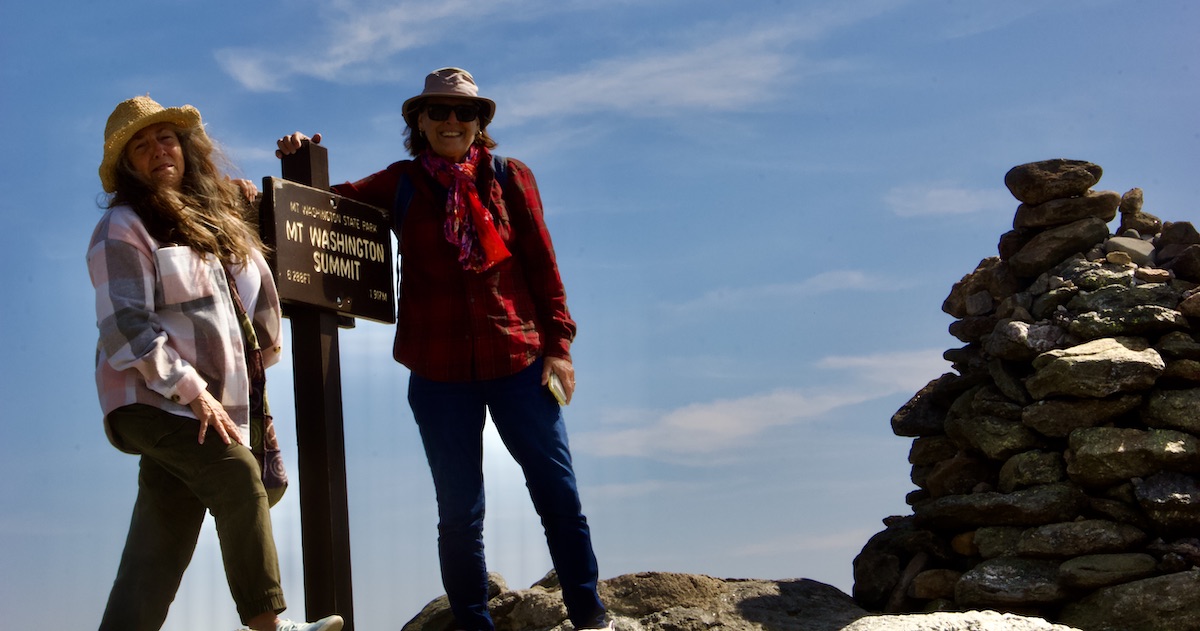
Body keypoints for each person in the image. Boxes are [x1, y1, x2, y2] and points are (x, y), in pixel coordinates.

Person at [276, 67, 612, 631]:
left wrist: (560, 348)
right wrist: (299, 159)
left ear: (481, 123)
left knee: (558, 494)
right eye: (438, 112)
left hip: (519, 362)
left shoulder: (510, 176)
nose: (452, 121)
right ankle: (472, 624)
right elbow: (318, 211)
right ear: (419, 122)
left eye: (465, 112)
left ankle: (589, 615)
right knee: (459, 514)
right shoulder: (401, 182)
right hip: (437, 374)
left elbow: (543, 267)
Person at [88, 95, 344, 631]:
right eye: (140, 145)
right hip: (152, 397)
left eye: (165, 138)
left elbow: (248, 311)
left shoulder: (220, 224)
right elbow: (126, 328)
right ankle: (269, 626)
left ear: (184, 147)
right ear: (128, 167)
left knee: (156, 548)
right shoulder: (123, 226)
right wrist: (192, 391)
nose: (157, 150)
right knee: (234, 474)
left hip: (215, 401)